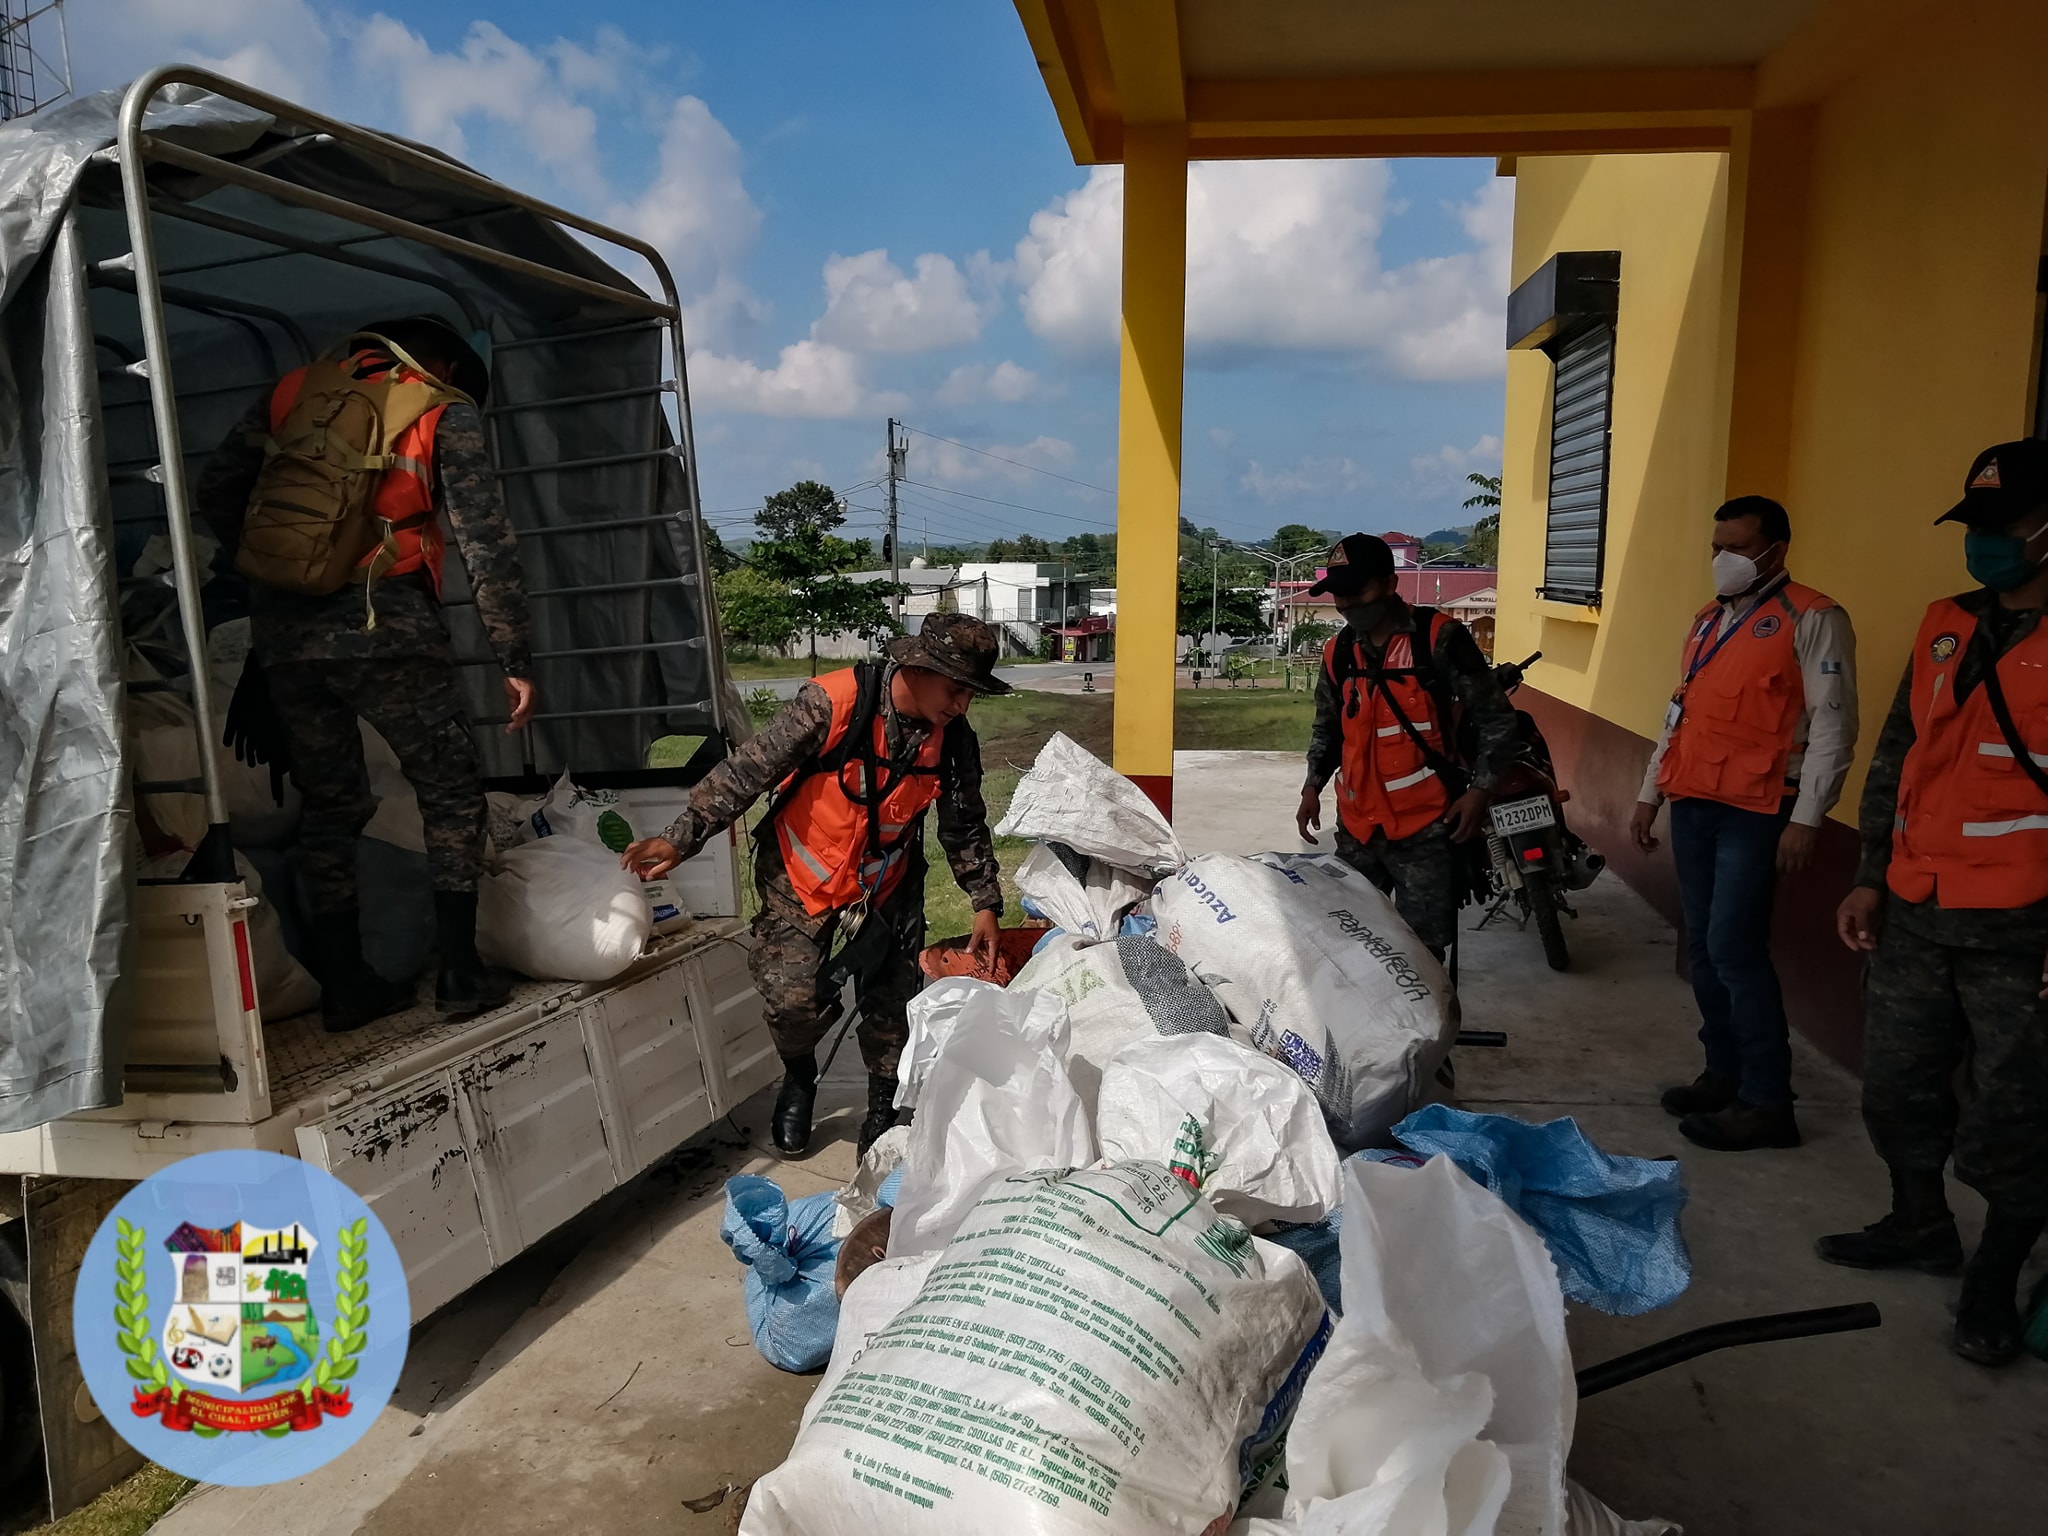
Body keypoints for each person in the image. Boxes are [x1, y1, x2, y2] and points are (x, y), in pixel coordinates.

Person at [195, 316, 536, 1033]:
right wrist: (515, 657)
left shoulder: (292, 392)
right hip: (388, 626)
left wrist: (281, 575)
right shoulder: (441, 408)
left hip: (285, 630)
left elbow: (216, 493)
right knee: (448, 790)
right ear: (440, 360)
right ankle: (459, 973)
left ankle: (346, 984)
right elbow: (486, 543)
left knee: (331, 802)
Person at [619, 613, 1008, 1159]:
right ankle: (800, 1077)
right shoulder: (832, 703)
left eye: (972, 694)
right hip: (800, 878)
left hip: (888, 882)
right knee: (791, 1001)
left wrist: (984, 902)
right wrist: (681, 837)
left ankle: (880, 1106)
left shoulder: (952, 740)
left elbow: (963, 819)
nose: (961, 706)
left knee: (892, 1005)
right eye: (954, 689)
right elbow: (747, 772)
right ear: (916, 668)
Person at [1821, 439, 2048, 1366]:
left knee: (2016, 1117)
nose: (1983, 545)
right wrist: (1871, 871)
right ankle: (1919, 1224)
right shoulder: (1944, 624)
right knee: (1900, 1087)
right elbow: (1898, 756)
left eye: (2001, 528)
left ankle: (1993, 1278)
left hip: (2021, 930)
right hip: (1916, 905)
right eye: (1975, 528)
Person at [1630, 496, 1857, 1152]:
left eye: (1736, 546)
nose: (1722, 559)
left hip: (1758, 814)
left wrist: (1808, 817)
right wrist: (1651, 793)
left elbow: (1835, 727)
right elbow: (1681, 715)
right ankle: (1723, 1072)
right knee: (1703, 944)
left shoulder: (1814, 618)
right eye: (1716, 547)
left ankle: (1768, 1100)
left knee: (1734, 947)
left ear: (1775, 550)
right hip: (1697, 802)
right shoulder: (1708, 620)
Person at [1297, 533, 1520, 959]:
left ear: (1389, 584)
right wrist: (1312, 787)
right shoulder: (1338, 652)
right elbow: (1329, 726)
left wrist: (1479, 792)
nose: (1346, 605)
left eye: (1357, 591)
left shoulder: (1439, 640)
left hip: (1427, 832)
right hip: (1358, 832)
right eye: (1339, 595)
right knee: (1355, 950)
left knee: (1423, 955)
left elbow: (1496, 720)